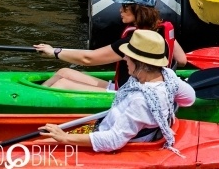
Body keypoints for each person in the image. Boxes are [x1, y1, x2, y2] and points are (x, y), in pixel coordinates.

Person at [39, 29, 196, 152]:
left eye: (128, 56)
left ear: (140, 63)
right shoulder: (167, 75)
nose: (125, 59)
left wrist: (65, 138)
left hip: (111, 140)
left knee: (38, 147)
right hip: (106, 127)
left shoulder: (140, 101)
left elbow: (113, 140)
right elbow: (189, 98)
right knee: (40, 141)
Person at [33, 0, 187, 91]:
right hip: (133, 85)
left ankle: (31, 106)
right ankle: (34, 96)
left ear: (137, 10)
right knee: (63, 73)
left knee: (62, 84)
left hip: (130, 94)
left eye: (125, 6)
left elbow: (89, 59)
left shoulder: (134, 41)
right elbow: (181, 60)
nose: (120, 9)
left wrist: (54, 52)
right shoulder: (162, 29)